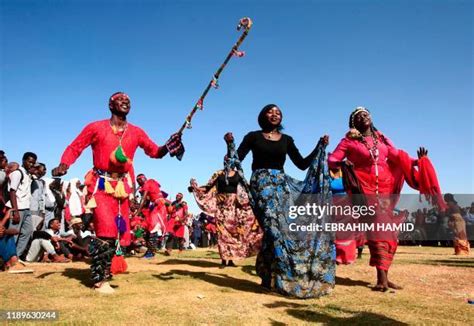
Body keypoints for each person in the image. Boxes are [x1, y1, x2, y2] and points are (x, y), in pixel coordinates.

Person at [52, 91, 184, 293]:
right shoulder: (95, 127)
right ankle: (100, 279)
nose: (126, 102)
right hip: (101, 185)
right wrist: (64, 164)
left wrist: (169, 145)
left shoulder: (136, 131)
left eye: (128, 101)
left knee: (117, 233)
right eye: (121, 100)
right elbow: (75, 147)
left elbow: (155, 152)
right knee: (105, 230)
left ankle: (106, 268)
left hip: (122, 189)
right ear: (110, 105)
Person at [328, 106, 445, 292]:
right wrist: (345, 164)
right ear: (354, 124)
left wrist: (418, 161)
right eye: (358, 116)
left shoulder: (381, 140)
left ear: (371, 118)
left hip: (385, 192)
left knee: (390, 235)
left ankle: (384, 277)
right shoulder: (349, 142)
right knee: (380, 231)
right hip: (364, 192)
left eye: (365, 114)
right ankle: (381, 278)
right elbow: (332, 160)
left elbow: (398, 157)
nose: (363, 117)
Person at [225, 104, 335, 299]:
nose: (274, 114)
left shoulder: (287, 140)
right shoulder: (253, 136)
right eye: (270, 111)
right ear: (263, 116)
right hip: (261, 187)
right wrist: (230, 144)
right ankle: (287, 279)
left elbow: (301, 164)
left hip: (281, 187)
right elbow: (236, 159)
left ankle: (267, 278)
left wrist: (320, 147)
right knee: (274, 231)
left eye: (278, 113)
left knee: (278, 232)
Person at [189, 140, 262, 268]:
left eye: (229, 160)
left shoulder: (238, 175)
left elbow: (247, 187)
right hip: (221, 208)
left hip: (234, 208)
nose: (227, 162)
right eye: (225, 160)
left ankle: (231, 259)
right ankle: (224, 260)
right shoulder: (218, 174)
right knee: (222, 235)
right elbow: (207, 187)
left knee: (234, 234)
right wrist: (195, 188)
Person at [6, 152, 37, 259]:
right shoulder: (18, 173)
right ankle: (8, 258)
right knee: (13, 234)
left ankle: (16, 256)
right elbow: (12, 191)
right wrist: (15, 210)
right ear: (23, 161)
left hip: (26, 208)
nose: (31, 164)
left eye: (33, 163)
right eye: (29, 162)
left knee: (28, 231)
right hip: (18, 208)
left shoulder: (28, 174)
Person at [134, 174, 168, 259]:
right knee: (149, 229)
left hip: (158, 207)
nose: (139, 184)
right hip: (158, 207)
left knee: (152, 229)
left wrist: (137, 212)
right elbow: (148, 200)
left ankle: (151, 253)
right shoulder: (151, 183)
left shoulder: (147, 184)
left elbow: (144, 199)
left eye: (139, 181)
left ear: (142, 179)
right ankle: (150, 251)